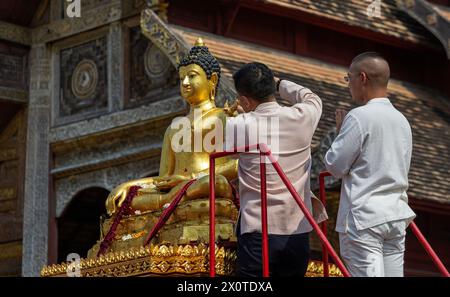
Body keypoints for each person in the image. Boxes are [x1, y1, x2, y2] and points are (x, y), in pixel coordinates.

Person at [230, 62, 327, 277]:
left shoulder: (240, 125)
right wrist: (280, 84)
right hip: (298, 231)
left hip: (258, 232)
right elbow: (312, 97)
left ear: (244, 100)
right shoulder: (303, 116)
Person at [324, 52, 416, 277]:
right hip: (395, 214)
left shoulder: (359, 117)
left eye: (349, 78)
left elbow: (334, 166)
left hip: (364, 216)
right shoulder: (402, 121)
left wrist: (340, 136)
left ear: (362, 78)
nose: (349, 85)